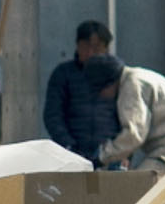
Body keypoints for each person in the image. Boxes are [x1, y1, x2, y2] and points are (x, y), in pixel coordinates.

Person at [41, 20, 124, 162]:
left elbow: (127, 116)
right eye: (86, 47)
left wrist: (123, 151)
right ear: (77, 46)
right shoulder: (63, 74)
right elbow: (53, 115)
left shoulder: (117, 74)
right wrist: (67, 145)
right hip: (72, 153)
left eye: (97, 48)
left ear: (106, 48)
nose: (91, 53)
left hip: (110, 153)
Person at [97, 60, 165, 173]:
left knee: (141, 186)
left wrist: (102, 157)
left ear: (108, 85)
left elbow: (134, 135)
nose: (102, 97)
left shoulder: (131, 85)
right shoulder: (137, 76)